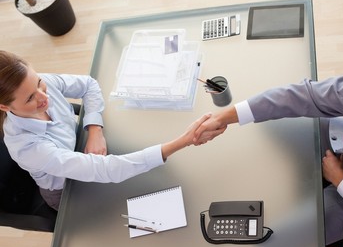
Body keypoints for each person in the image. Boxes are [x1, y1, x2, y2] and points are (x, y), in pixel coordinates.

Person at [193, 69, 343, 247]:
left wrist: (341, 181)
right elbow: (305, 95)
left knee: (271, 241)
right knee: (268, 124)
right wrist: (224, 118)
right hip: (336, 143)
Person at [0, 50, 216, 210]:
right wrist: (184, 141)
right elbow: (105, 170)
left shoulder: (37, 84)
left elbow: (89, 85)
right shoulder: (27, 147)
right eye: (30, 98)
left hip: (84, 147)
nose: (43, 96)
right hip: (68, 189)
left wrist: (95, 129)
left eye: (39, 83)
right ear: (5, 107)